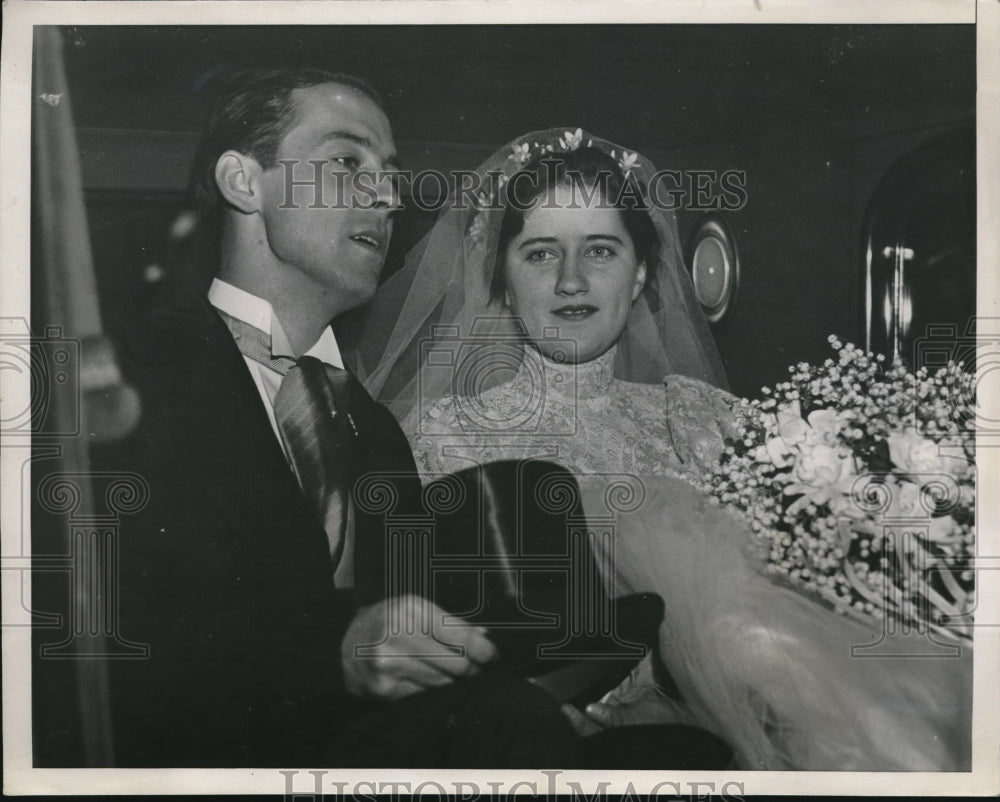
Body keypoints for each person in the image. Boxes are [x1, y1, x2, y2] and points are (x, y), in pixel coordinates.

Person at [358, 128, 973, 770]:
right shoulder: (436, 438)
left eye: (600, 250)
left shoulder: (705, 418)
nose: (572, 280)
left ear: (642, 272)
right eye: (540, 254)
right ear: (504, 282)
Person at [107, 69, 579, 768]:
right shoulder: (126, 376)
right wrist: (336, 652)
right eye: (347, 162)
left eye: (389, 173)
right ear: (244, 183)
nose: (389, 195)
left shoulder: (378, 433)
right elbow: (95, 644)